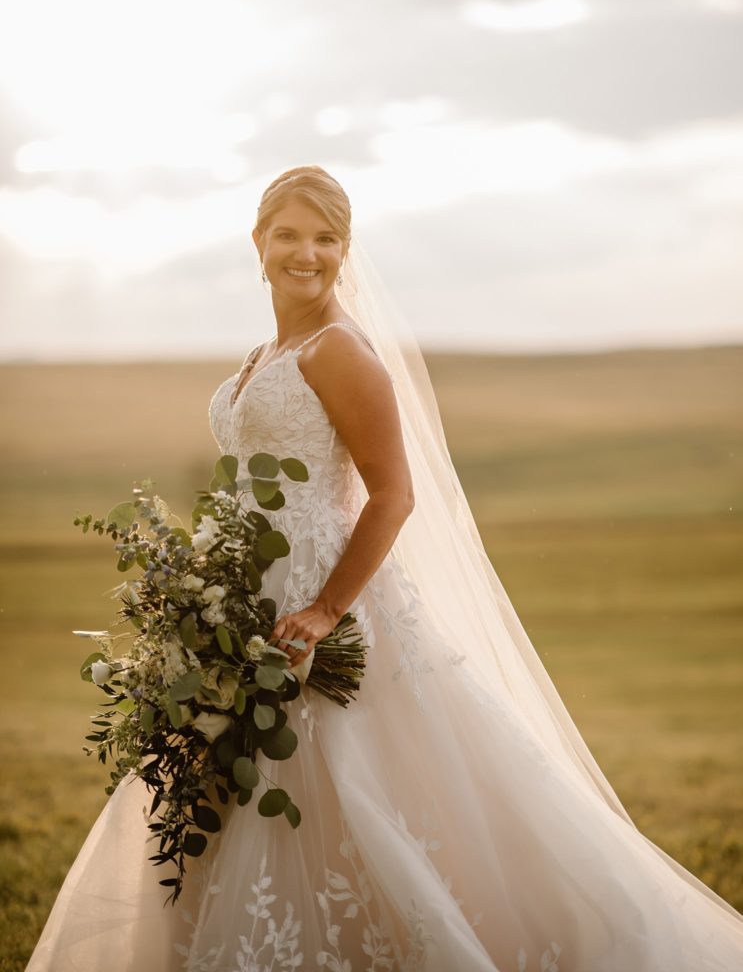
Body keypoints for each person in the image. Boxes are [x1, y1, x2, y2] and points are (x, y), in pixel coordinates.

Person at [26, 165, 743, 971]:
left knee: (352, 777)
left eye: (326, 238)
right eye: (289, 234)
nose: (307, 253)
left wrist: (327, 610)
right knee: (230, 774)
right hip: (244, 597)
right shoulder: (268, 351)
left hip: (323, 599)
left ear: (345, 250)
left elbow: (393, 495)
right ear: (256, 243)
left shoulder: (339, 351)